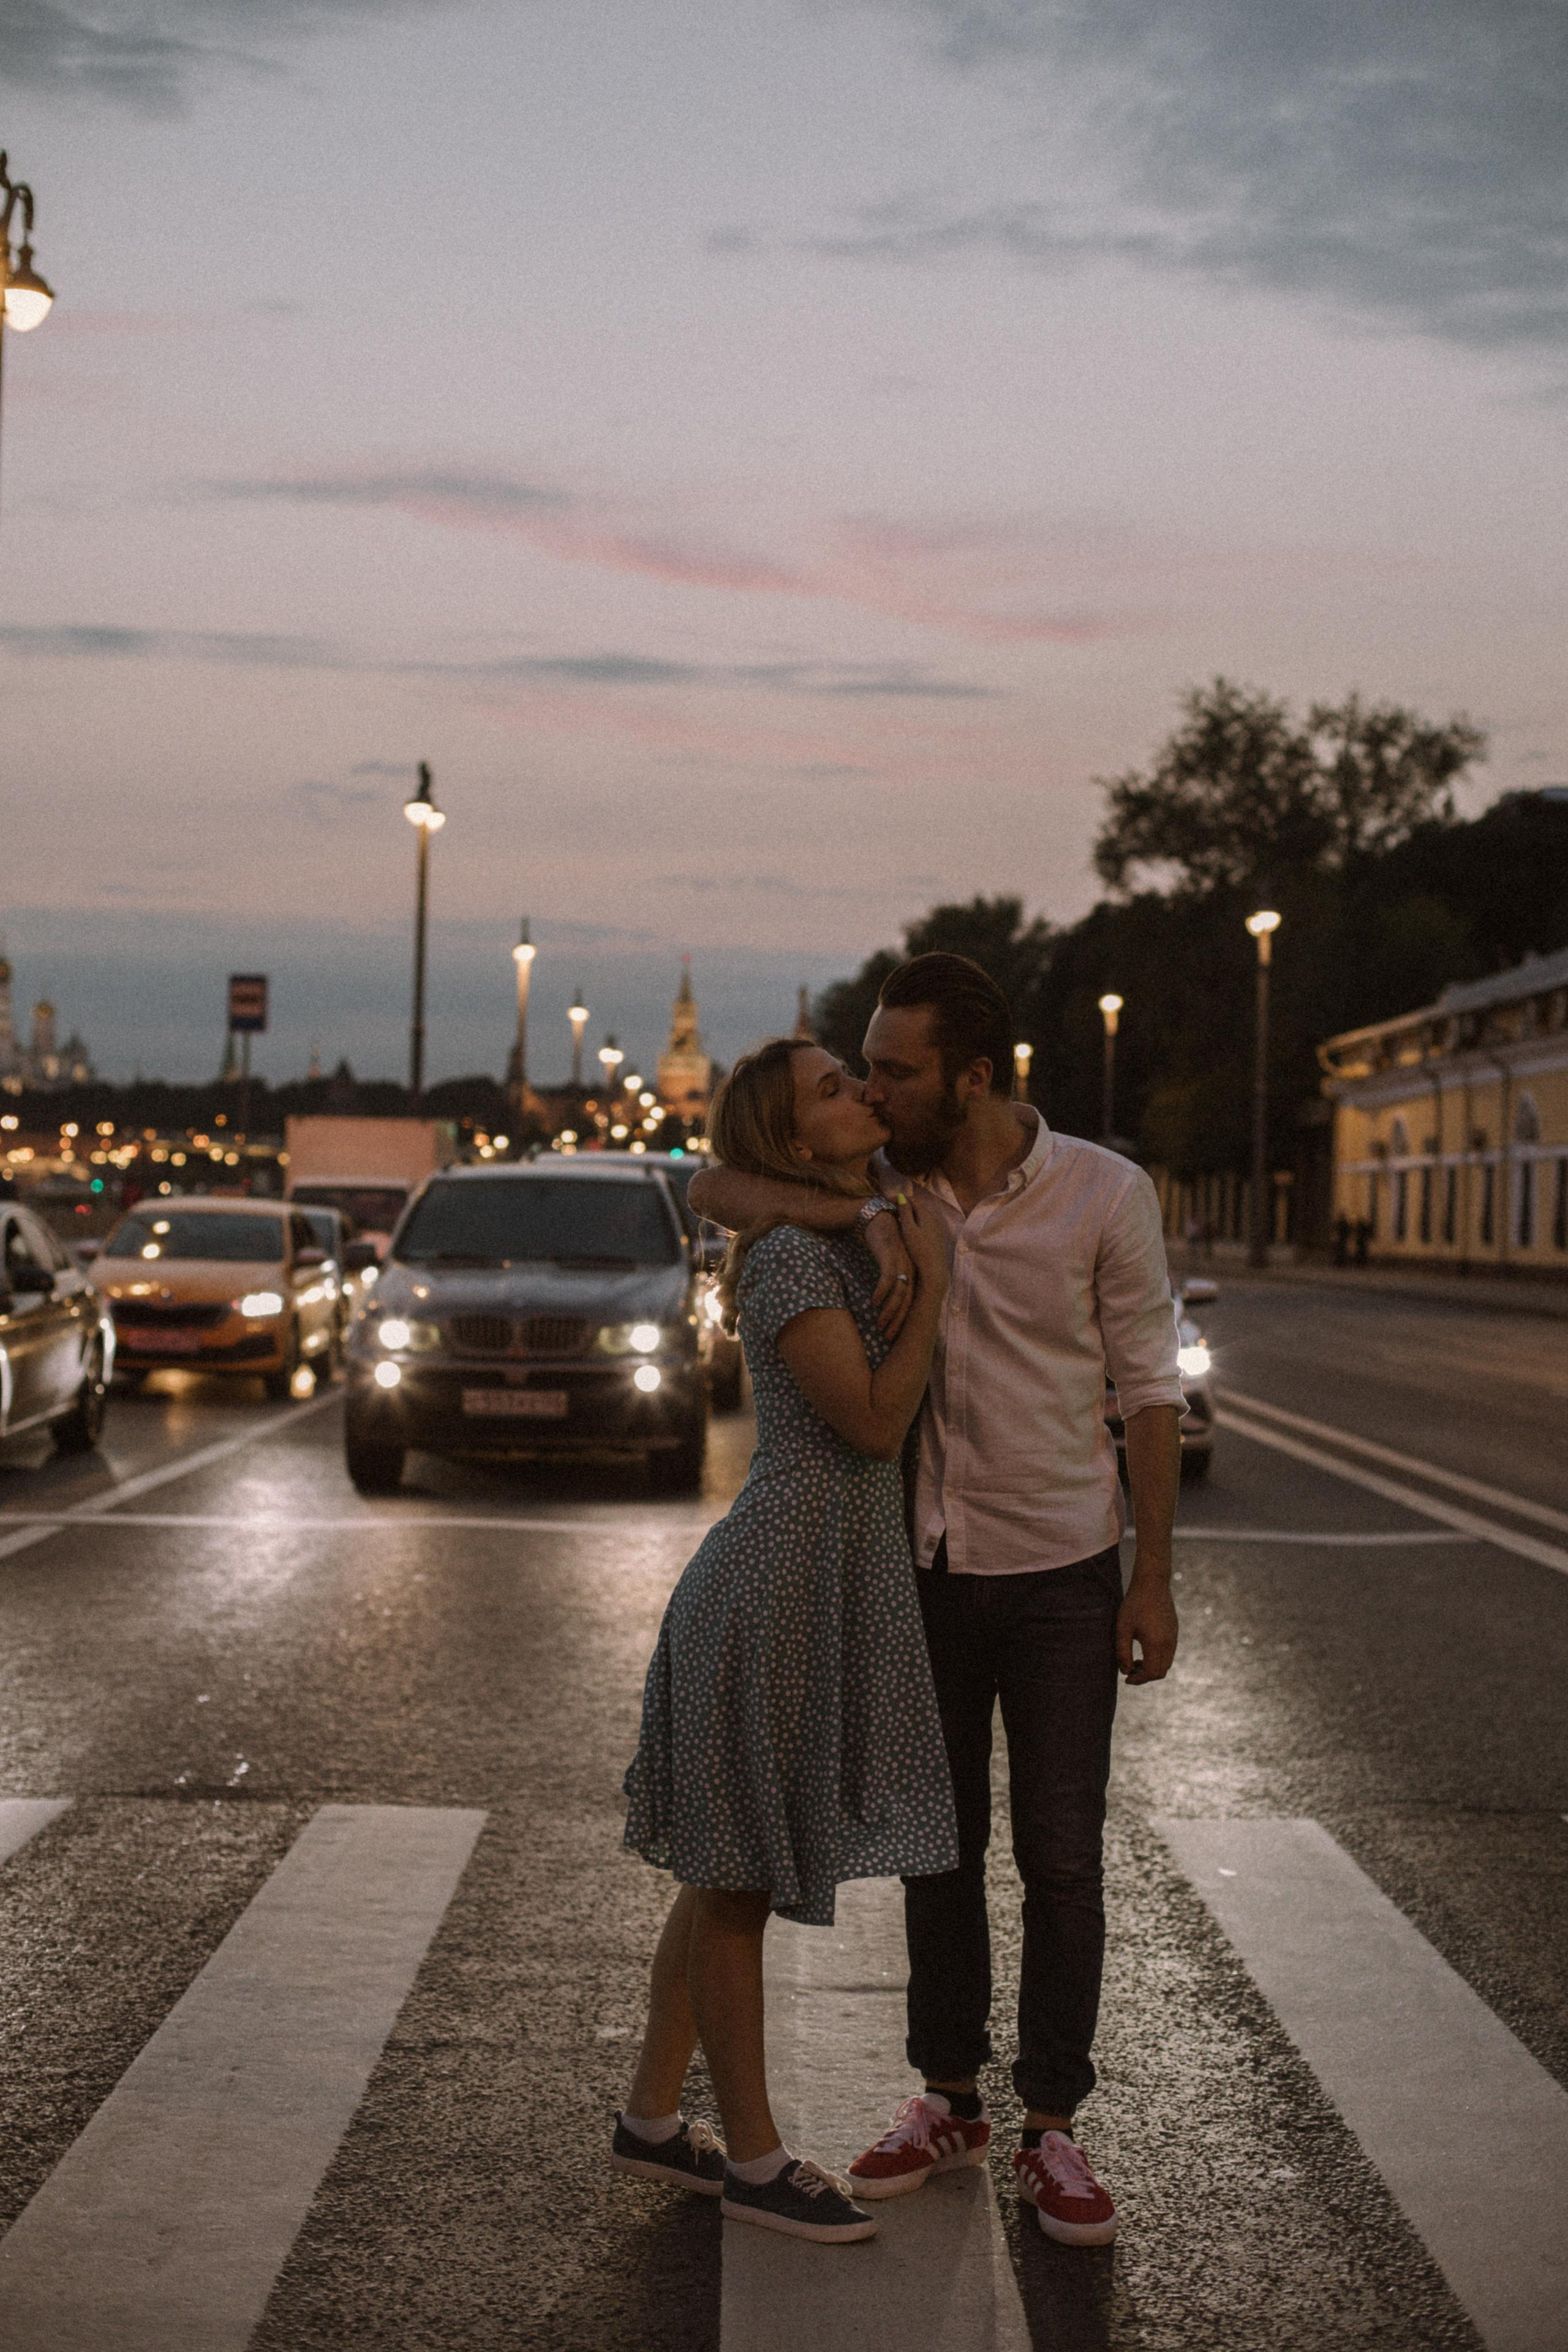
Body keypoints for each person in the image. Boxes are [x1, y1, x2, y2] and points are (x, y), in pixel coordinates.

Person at [689, 954, 1185, 2248]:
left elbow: (1147, 1391)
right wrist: (861, 1222)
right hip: (927, 1568)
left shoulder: (1100, 1191)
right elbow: (714, 1181)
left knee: (1061, 1855)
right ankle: (947, 2098)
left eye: (895, 1069)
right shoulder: (885, 1188)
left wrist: (1153, 1578)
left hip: (1066, 1571)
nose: (874, 1087)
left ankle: (1052, 2125)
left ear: (974, 1076)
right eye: (864, 1069)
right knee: (937, 1846)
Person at [617, 1037, 958, 2245]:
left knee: (724, 1865)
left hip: (810, 1582)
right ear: (793, 1139)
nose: (863, 1091)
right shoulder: (791, 1265)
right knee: (737, 1887)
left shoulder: (856, 1215)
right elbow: (869, 1424)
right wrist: (929, 1287)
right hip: (769, 1589)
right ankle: (754, 2157)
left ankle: (653, 2120)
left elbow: (721, 1182)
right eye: (831, 1089)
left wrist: (890, 1231)